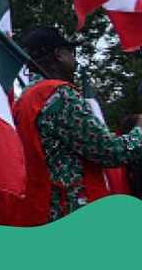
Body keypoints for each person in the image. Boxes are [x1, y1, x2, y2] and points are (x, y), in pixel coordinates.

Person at [10, 26, 142, 224]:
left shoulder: (24, 100)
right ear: (58, 55)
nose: (75, 60)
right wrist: (139, 132)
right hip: (73, 211)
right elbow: (110, 151)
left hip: (43, 211)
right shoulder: (59, 94)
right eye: (71, 53)